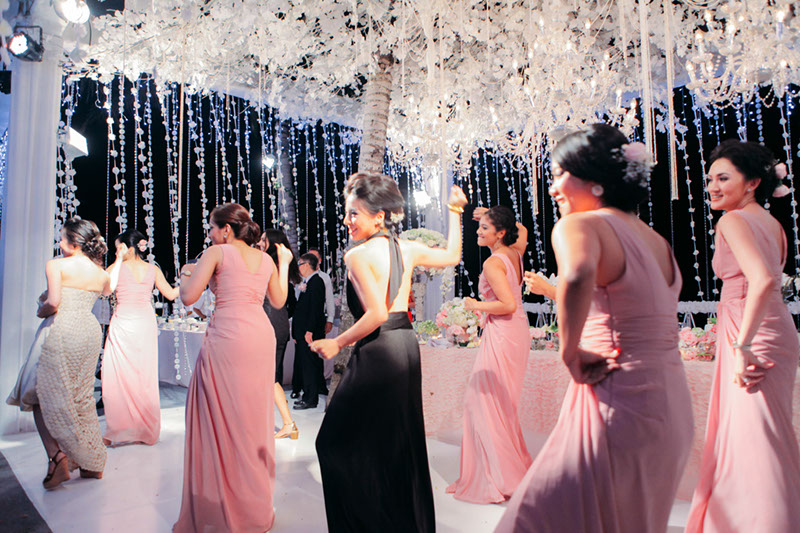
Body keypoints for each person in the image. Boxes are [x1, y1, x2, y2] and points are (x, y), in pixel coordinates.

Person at [496, 124, 693, 532]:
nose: (553, 188)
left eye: (559, 175)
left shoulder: (579, 226)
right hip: (671, 404)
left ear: (594, 180)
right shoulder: (658, 241)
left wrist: (569, 352)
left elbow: (578, 272)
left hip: (617, 396)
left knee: (539, 517)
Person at [310, 172, 468, 532]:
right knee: (395, 444)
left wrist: (337, 342)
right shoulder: (406, 247)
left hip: (380, 350)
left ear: (378, 216)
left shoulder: (357, 255)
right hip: (405, 345)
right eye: (347, 213)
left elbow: (377, 314)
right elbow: (452, 255)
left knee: (331, 442)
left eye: (354, 213)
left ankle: (368, 522)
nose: (347, 220)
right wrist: (455, 212)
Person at [686, 141, 800, 532]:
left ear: (752, 182)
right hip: (775, 328)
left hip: (750, 331)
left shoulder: (732, 221)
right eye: (710, 180)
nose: (713, 187)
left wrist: (743, 345)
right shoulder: (773, 224)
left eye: (723, 178)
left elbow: (763, 279)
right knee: (769, 434)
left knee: (755, 439)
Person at [173, 203, 291, 533]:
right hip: (260, 334)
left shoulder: (217, 253)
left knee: (220, 415)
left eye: (212, 227)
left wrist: (186, 274)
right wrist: (284, 264)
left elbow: (187, 297)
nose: (210, 234)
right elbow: (279, 301)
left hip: (228, 335)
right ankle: (253, 506)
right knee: (252, 419)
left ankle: (222, 503)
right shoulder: (265, 259)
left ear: (226, 229)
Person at [7, 217, 111, 489]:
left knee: (39, 393)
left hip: (62, 328)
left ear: (74, 243)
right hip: (88, 330)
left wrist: (41, 310)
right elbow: (107, 290)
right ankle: (91, 463)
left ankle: (57, 458)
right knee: (81, 397)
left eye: (62, 238)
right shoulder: (100, 273)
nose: (59, 242)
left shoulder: (56, 265)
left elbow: (53, 302)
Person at [446, 205, 532, 503]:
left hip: (504, 332)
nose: (478, 231)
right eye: (479, 226)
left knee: (482, 404)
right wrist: (492, 212)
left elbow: (507, 305)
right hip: (517, 331)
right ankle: (504, 469)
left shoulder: (494, 262)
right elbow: (524, 230)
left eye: (485, 228)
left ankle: (498, 477)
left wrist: (475, 305)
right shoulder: (515, 252)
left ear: (500, 233)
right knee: (500, 404)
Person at [101, 229, 179, 446]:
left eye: (118, 247)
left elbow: (106, 290)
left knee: (116, 375)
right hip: (144, 322)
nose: (116, 252)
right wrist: (190, 282)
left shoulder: (115, 268)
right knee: (143, 375)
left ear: (126, 247)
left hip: (124, 322)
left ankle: (120, 429)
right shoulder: (152, 269)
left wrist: (117, 261)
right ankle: (145, 430)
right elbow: (171, 294)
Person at [258, 229, 302, 438]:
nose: (259, 243)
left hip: (270, 324)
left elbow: (280, 299)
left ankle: (287, 423)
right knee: (270, 376)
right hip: (278, 324)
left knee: (267, 376)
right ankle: (286, 423)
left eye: (263, 240)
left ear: (273, 244)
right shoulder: (277, 266)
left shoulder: (269, 266)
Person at [292, 253, 327, 410]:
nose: (299, 267)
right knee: (305, 364)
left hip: (309, 333)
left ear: (306, 265)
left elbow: (315, 309)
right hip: (302, 331)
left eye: (300, 264)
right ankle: (307, 396)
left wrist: (309, 331)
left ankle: (311, 399)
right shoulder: (309, 282)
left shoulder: (316, 282)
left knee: (309, 365)